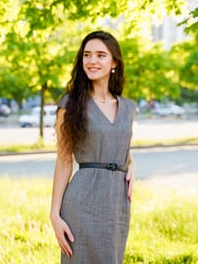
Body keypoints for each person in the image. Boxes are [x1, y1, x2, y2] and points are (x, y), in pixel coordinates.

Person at [50, 30, 135, 264]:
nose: (92, 61)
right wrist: (55, 215)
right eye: (87, 55)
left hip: (116, 204)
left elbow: (119, 143)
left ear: (114, 62)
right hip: (82, 202)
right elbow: (64, 161)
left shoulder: (128, 107)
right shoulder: (69, 105)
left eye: (100, 55)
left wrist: (131, 164)